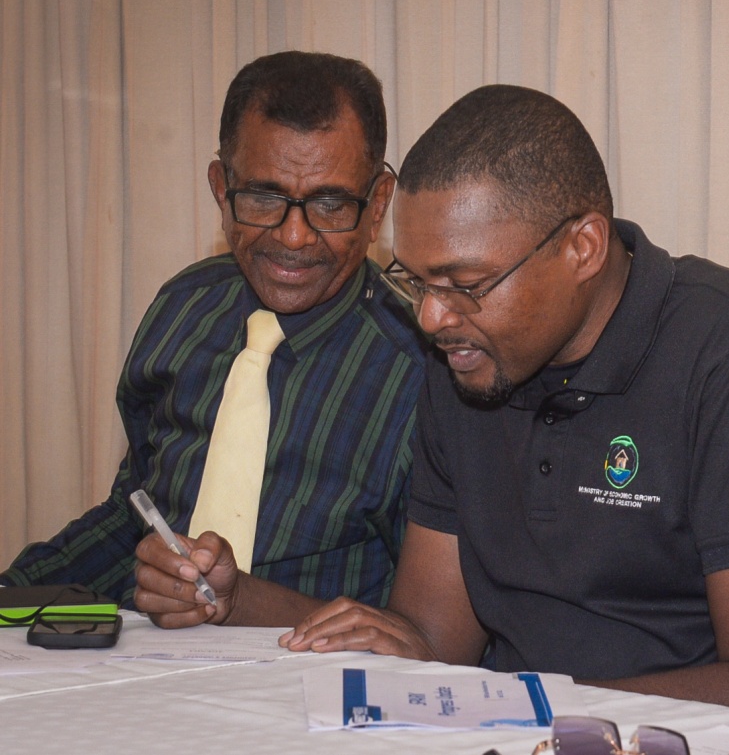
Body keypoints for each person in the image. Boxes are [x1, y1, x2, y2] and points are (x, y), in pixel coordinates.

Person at [266, 84, 729, 707]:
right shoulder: (467, 353)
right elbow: (436, 640)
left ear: (583, 248)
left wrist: (525, 706)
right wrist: (388, 645)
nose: (432, 317)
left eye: (466, 282)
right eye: (417, 281)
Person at [1, 52, 426, 627]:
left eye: (330, 203)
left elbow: (421, 634)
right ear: (220, 188)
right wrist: (13, 590)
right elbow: (132, 515)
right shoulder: (184, 310)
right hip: (147, 668)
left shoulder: (424, 366)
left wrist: (247, 606)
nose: (294, 237)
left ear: (376, 207)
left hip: (318, 690)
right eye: (263, 198)